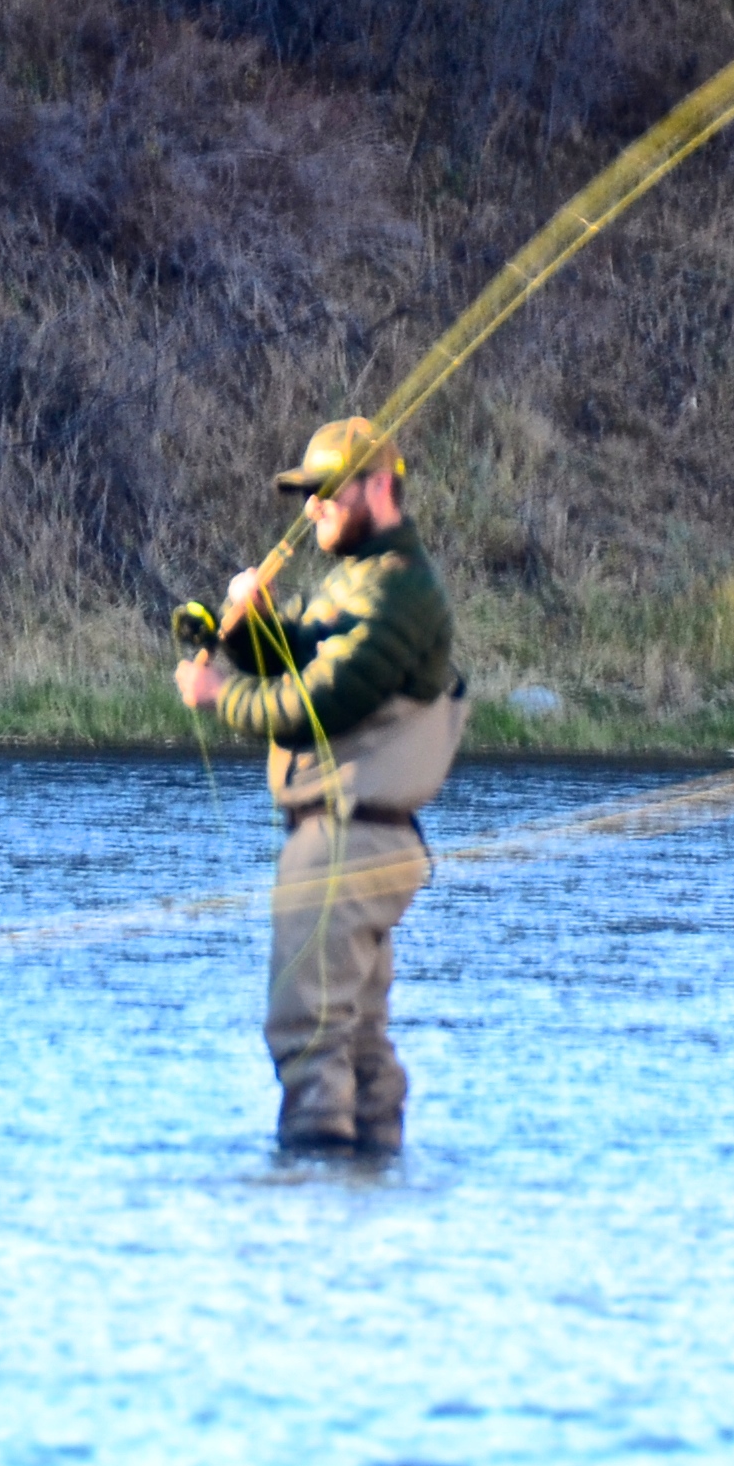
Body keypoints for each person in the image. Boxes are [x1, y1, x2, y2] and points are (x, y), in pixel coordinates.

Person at [174, 418, 466, 1153]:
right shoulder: (362, 583)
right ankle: (367, 1202)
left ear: (376, 486)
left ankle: (312, 1205)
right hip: (362, 840)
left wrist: (219, 694)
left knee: (306, 1033)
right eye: (307, 495)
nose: (311, 509)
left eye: (326, 492)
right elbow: (308, 651)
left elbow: (314, 702)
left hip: (347, 840)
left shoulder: (399, 591)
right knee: (358, 1040)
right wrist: (252, 630)